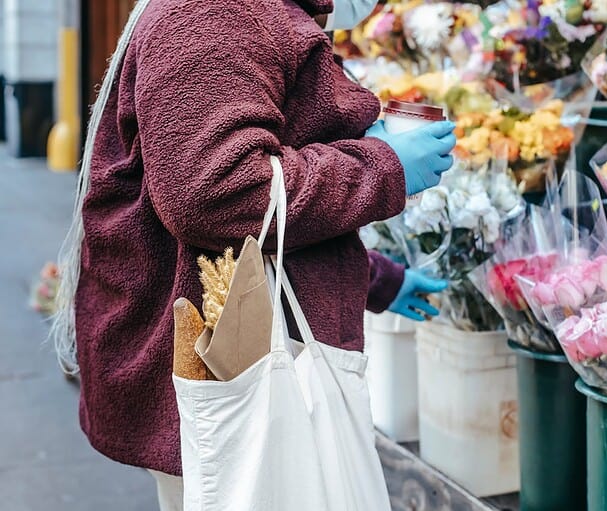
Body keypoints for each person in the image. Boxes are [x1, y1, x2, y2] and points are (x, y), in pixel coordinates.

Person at [51, 0, 456, 508]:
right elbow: (217, 194)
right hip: (230, 370)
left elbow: (262, 221)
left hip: (246, 354)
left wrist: (376, 280)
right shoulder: (212, 15)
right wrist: (382, 166)